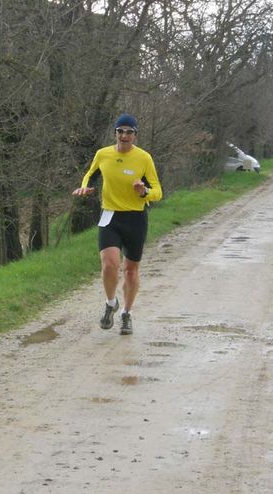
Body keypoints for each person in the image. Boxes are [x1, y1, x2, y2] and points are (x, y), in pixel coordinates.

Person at [72, 113, 162, 335]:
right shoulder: (103, 155)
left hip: (135, 218)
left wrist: (145, 192)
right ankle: (111, 302)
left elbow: (158, 192)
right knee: (110, 263)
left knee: (130, 271)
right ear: (115, 133)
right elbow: (90, 175)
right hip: (110, 216)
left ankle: (126, 314)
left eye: (129, 132)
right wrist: (85, 187)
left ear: (135, 135)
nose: (124, 135)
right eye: (120, 131)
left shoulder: (144, 158)